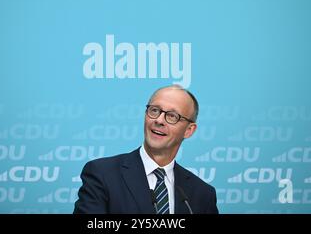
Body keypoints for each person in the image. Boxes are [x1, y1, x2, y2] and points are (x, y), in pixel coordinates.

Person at [73, 85, 219, 214]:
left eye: (172, 116)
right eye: (155, 110)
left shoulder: (203, 194)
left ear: (189, 130)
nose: (159, 120)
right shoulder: (102, 174)